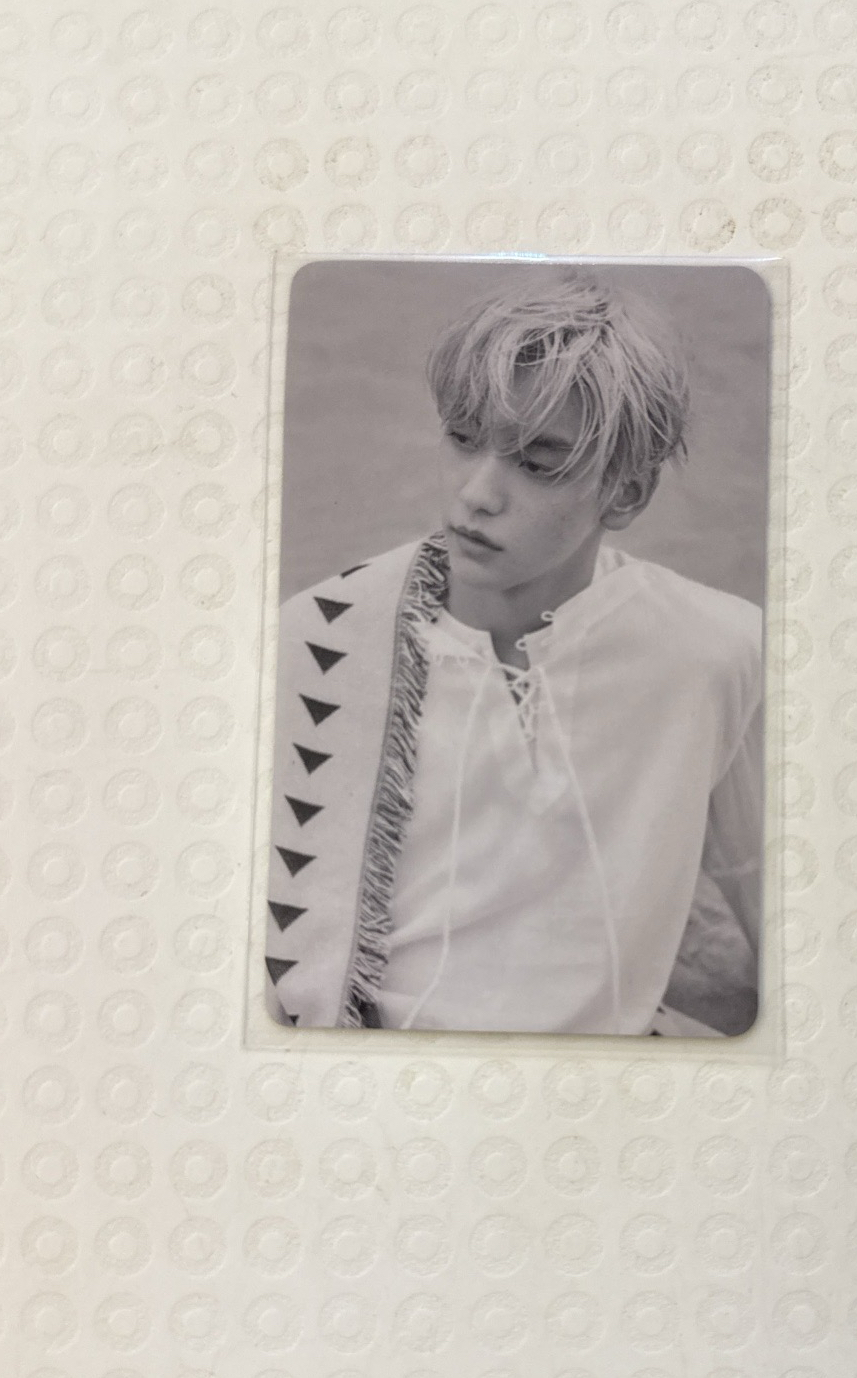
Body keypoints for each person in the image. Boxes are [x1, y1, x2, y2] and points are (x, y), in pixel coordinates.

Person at [265, 270, 763, 1036]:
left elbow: (788, 904)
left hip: (604, 1083)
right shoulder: (320, 639)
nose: (477, 493)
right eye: (465, 438)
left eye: (537, 462)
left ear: (626, 493)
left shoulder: (714, 650)